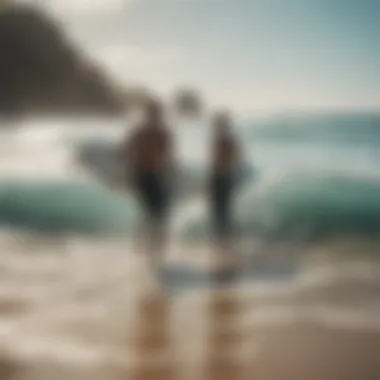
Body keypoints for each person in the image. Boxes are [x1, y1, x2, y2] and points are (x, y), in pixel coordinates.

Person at [118, 100, 175, 270]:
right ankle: (149, 246)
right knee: (153, 210)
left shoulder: (160, 133)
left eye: (157, 113)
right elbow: (125, 150)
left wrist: (169, 174)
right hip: (143, 174)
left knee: (158, 210)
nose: (156, 116)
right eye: (154, 113)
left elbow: (167, 157)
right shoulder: (143, 133)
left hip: (153, 175)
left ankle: (150, 245)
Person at [208, 111, 241, 277]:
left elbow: (217, 162)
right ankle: (226, 248)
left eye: (218, 124)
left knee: (220, 214)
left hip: (221, 179)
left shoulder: (222, 140)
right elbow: (237, 159)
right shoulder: (229, 140)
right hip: (227, 178)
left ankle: (224, 248)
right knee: (224, 213)